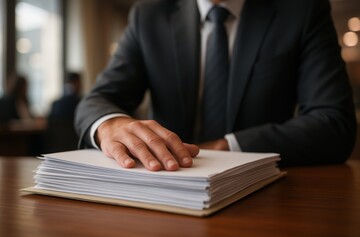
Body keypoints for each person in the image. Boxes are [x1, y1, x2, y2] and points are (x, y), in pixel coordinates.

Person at [75, 0, 357, 171]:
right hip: (166, 187)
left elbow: (333, 123)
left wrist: (224, 147)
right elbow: (98, 99)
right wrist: (111, 125)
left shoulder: (302, 11)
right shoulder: (148, 17)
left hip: (266, 191)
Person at [45, 72, 82, 152]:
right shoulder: (80, 103)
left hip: (55, 146)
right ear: (77, 82)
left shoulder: (55, 103)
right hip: (75, 146)